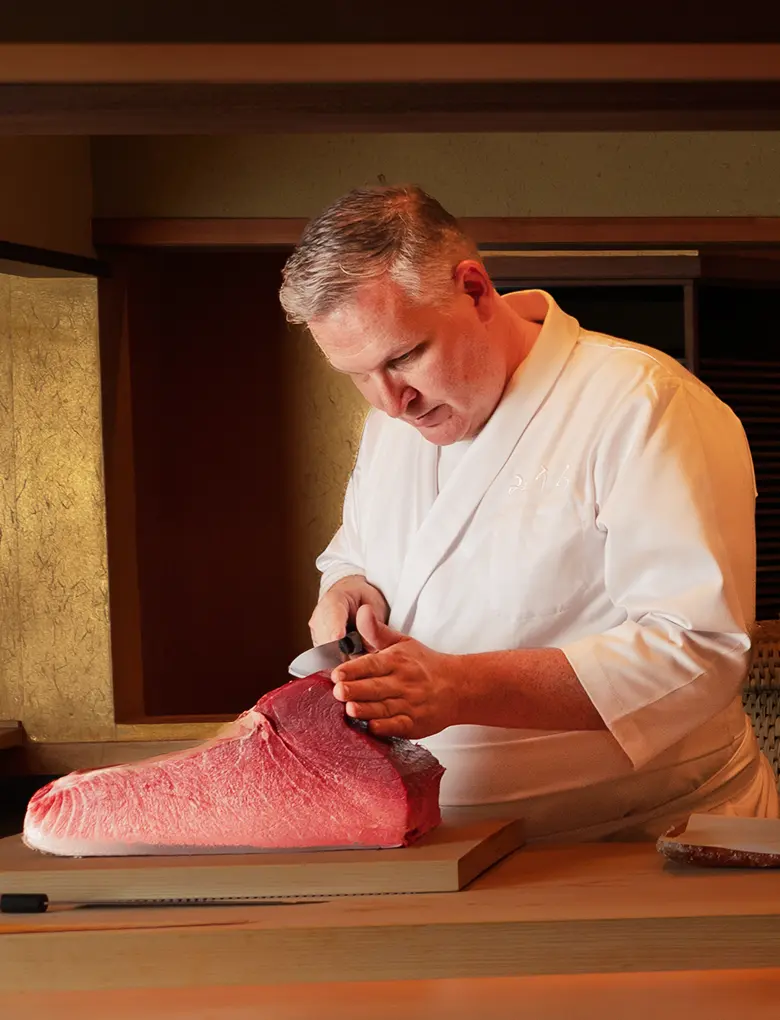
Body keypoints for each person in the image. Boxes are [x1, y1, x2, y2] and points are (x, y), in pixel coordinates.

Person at [278, 183, 779, 841]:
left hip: (646, 835)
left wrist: (462, 688)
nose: (390, 401)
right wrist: (347, 589)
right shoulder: (396, 424)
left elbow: (697, 649)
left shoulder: (644, 405)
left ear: (475, 290)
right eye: (358, 374)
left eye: (404, 357)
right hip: (450, 841)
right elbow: (359, 550)